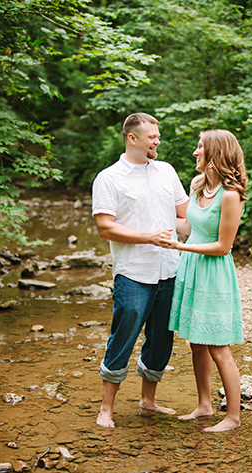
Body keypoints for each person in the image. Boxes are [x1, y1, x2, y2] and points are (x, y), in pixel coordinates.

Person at [92, 112, 190, 428]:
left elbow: (185, 218)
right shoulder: (109, 178)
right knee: (124, 334)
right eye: (151, 137)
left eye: (157, 136)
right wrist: (148, 236)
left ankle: (148, 401)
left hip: (170, 269)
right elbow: (105, 227)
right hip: (133, 272)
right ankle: (106, 409)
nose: (157, 141)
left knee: (162, 337)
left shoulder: (166, 171)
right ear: (132, 138)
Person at [161, 129, 247, 433]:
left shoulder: (231, 196)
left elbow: (223, 246)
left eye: (201, 148)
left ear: (216, 155)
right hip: (192, 268)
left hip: (213, 272)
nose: (195, 153)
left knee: (218, 347)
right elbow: (187, 224)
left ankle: (233, 417)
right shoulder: (198, 185)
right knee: (196, 343)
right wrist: (150, 218)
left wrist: (179, 247)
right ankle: (204, 405)